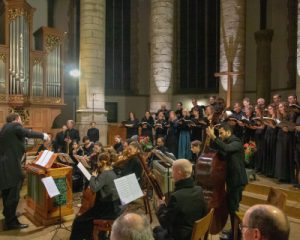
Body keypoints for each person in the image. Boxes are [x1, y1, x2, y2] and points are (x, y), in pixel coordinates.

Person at [0, 113, 50, 230]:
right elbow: (28, 133)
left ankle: (8, 215)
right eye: (21, 120)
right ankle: (11, 222)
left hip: (5, 166)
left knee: (7, 193)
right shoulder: (14, 126)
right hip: (10, 166)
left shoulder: (5, 128)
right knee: (13, 194)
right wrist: (44, 135)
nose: (21, 122)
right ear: (17, 119)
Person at [206, 123, 248, 239]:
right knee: (232, 207)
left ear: (228, 132)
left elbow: (226, 149)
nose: (220, 135)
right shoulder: (228, 142)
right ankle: (234, 232)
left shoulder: (236, 142)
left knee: (233, 208)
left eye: (221, 133)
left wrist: (214, 137)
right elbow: (221, 151)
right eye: (219, 133)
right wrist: (209, 139)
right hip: (231, 180)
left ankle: (236, 235)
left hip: (237, 180)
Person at [70, 152, 121, 240]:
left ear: (103, 162)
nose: (97, 164)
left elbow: (94, 188)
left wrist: (93, 177)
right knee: (85, 217)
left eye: (98, 162)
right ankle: (89, 236)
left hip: (106, 210)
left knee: (78, 221)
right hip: (114, 206)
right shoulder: (112, 171)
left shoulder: (105, 174)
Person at [154, 159, 207, 240]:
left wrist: (160, 206)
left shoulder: (176, 197)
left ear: (179, 173)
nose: (171, 173)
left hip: (180, 236)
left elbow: (164, 223)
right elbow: (204, 213)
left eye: (172, 170)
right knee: (157, 229)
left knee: (154, 231)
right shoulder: (199, 189)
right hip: (194, 232)